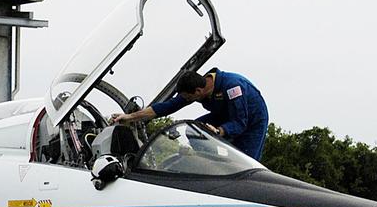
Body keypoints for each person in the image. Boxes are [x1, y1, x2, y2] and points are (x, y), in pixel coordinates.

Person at [112, 68, 269, 160]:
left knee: (245, 161)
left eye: (187, 98)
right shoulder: (197, 88)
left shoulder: (232, 87)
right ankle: (212, 164)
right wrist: (129, 117)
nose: (185, 100)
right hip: (223, 114)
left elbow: (240, 122)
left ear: (198, 92)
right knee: (194, 131)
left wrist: (219, 131)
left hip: (251, 121)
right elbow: (166, 107)